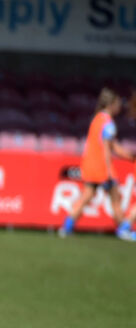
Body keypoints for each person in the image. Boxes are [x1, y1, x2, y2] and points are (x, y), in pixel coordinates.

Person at [60, 88, 133, 238]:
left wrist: (129, 156)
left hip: (90, 165)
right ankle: (123, 229)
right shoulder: (109, 124)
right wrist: (107, 171)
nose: (119, 107)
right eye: (118, 104)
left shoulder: (97, 119)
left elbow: (113, 147)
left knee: (86, 196)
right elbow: (107, 149)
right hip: (102, 168)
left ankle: (67, 226)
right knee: (116, 199)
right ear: (112, 104)